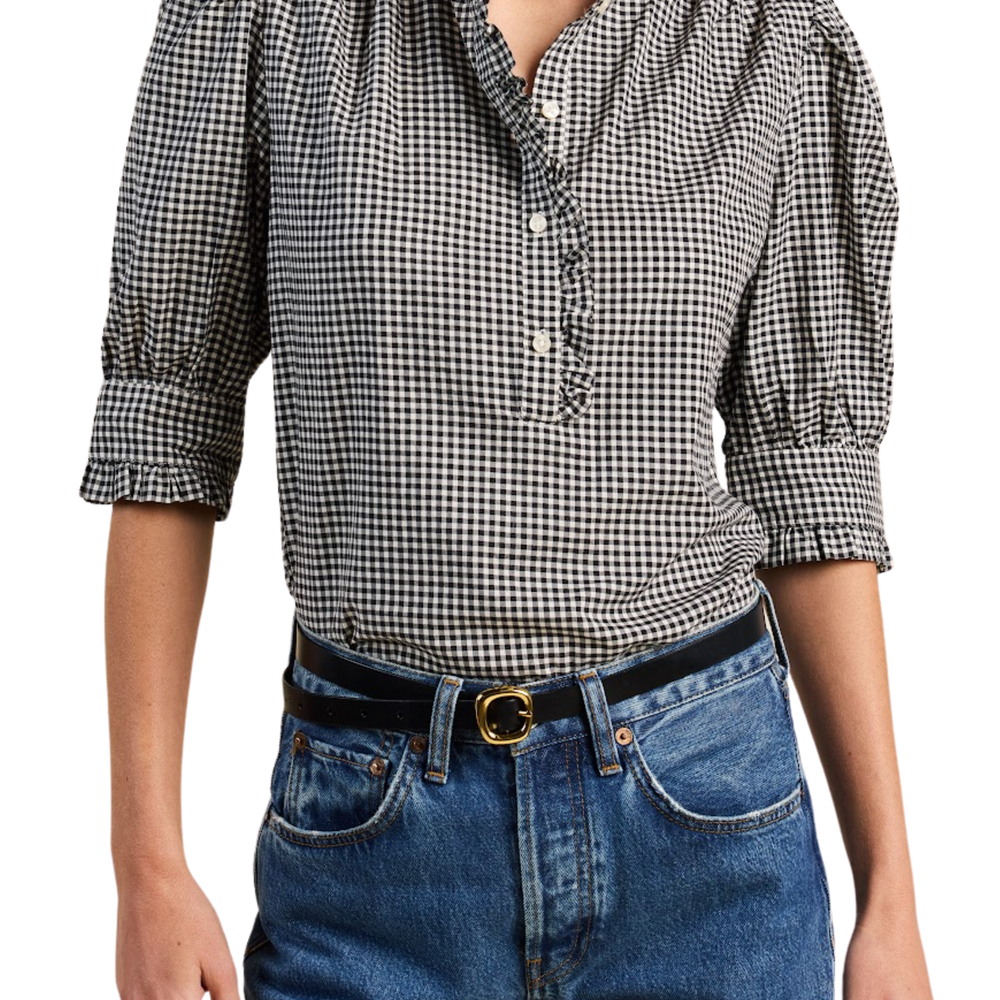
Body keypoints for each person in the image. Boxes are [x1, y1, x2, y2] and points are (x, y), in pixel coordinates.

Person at [84, 0, 935, 997]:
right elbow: (166, 424)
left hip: (711, 824)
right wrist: (146, 866)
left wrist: (891, 897)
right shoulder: (262, 19)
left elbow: (812, 482)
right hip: (368, 843)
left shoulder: (772, 29)